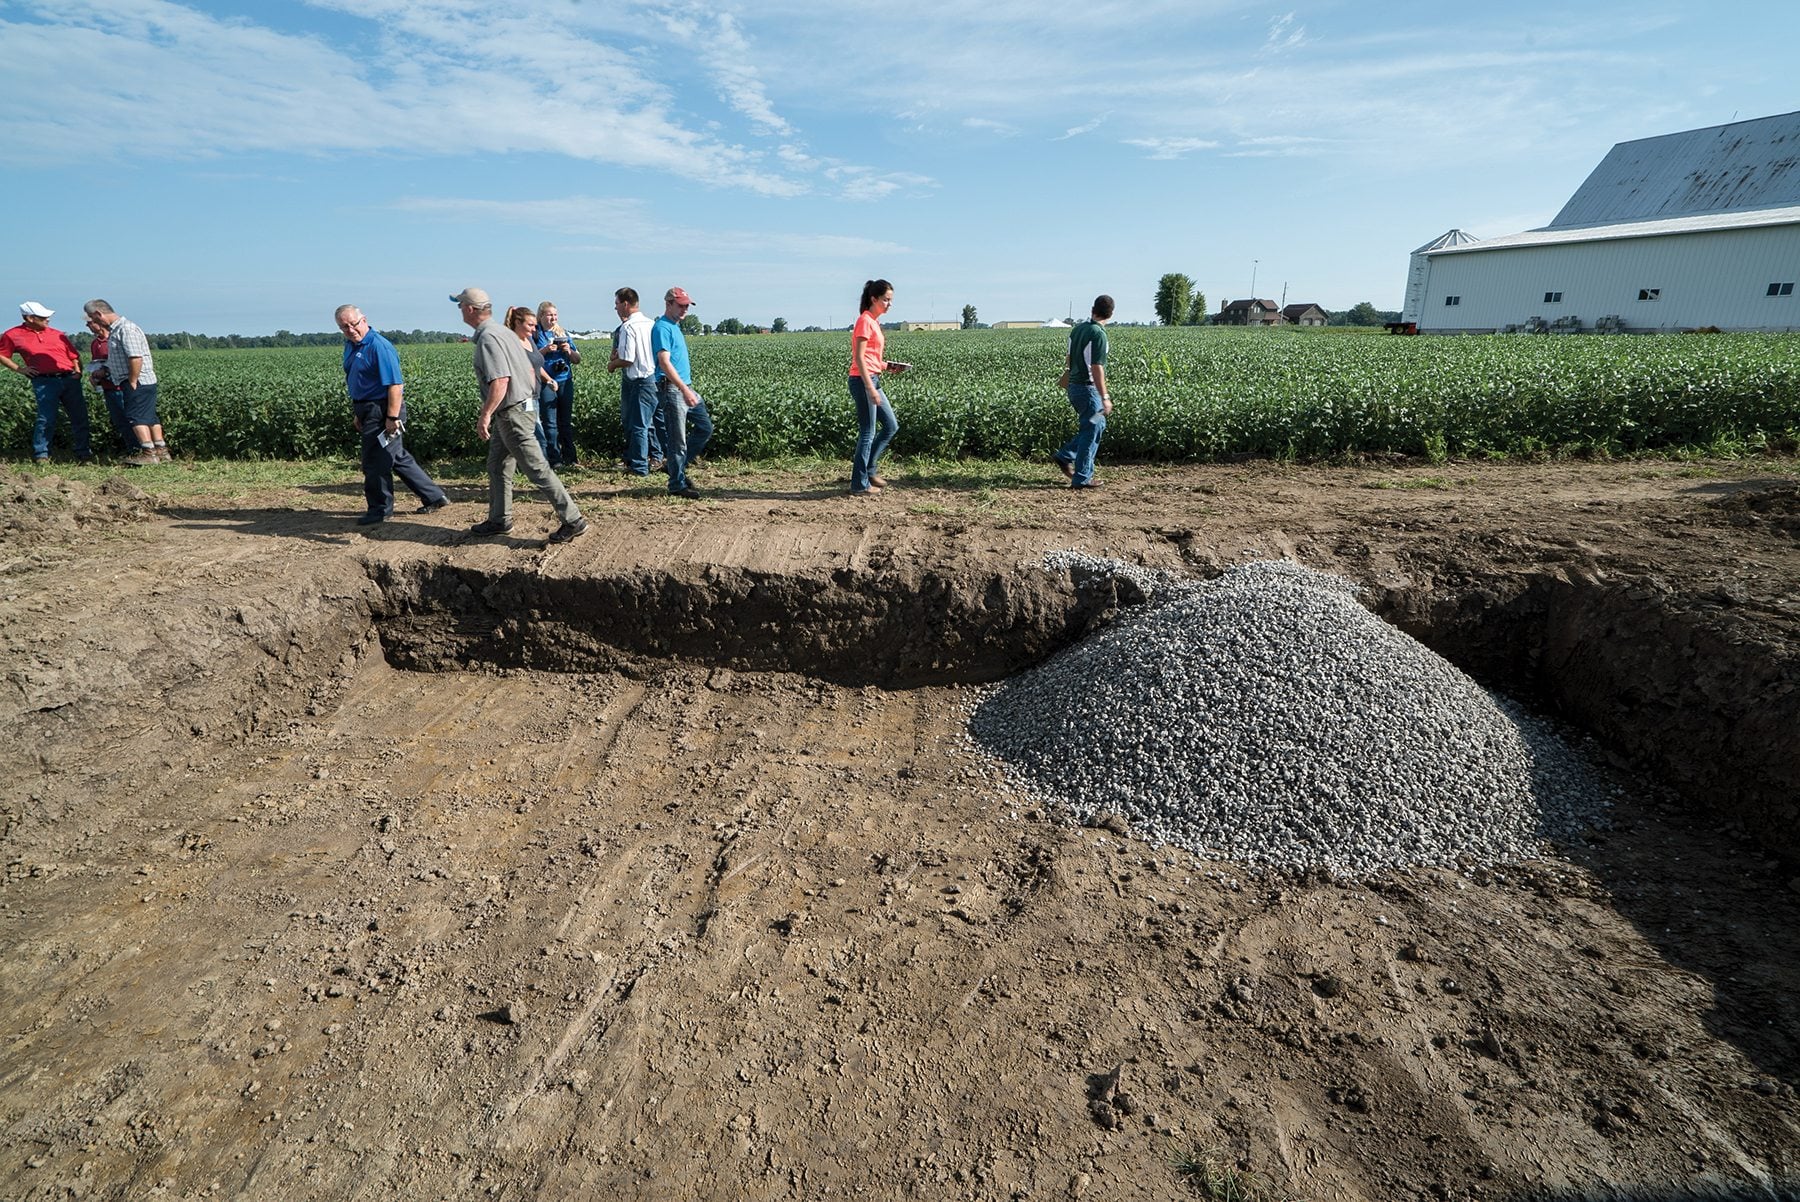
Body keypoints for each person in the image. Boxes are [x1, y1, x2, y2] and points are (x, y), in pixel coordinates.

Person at [452, 287, 586, 544]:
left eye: (460, 306)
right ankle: (499, 519)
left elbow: (500, 380)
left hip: (511, 412)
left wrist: (485, 415)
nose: (460, 311)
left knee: (537, 469)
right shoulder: (503, 332)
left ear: (470, 309)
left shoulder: (490, 338)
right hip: (519, 407)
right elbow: (529, 366)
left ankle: (573, 520)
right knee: (497, 466)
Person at [335, 304, 449, 525]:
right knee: (396, 457)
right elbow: (357, 380)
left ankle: (380, 510)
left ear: (364, 320)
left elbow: (396, 385)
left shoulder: (379, 347)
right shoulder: (351, 346)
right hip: (367, 408)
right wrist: (358, 412)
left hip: (383, 409)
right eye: (344, 327)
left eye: (354, 324)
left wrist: (392, 418)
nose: (351, 330)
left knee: (374, 461)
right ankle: (434, 497)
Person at [1, 301, 92, 465]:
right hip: (44, 381)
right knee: (46, 418)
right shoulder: (12, 335)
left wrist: (78, 372)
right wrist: (19, 369)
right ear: (30, 318)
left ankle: (84, 453)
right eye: (43, 317)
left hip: (69, 378)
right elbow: (2, 354)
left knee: (80, 417)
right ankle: (41, 454)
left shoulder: (58, 334)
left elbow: (73, 355)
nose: (48, 320)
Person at [82, 299, 167, 466]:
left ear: (99, 314)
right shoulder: (117, 329)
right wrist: (105, 371)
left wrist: (133, 380)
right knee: (149, 416)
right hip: (138, 380)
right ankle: (161, 451)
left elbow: (135, 357)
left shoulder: (126, 329)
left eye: (93, 318)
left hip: (137, 380)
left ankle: (148, 453)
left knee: (136, 417)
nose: (94, 322)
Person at [650, 287, 714, 499]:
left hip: (684, 387)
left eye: (687, 305)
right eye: (681, 305)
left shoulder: (675, 326)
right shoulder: (662, 328)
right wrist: (684, 390)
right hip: (673, 389)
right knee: (678, 441)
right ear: (668, 304)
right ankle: (676, 484)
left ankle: (676, 467)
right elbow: (664, 363)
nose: (685, 309)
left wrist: (687, 389)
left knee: (705, 427)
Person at [847, 278, 906, 496]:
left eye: (890, 300)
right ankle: (859, 484)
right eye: (886, 300)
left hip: (873, 378)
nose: (889, 304)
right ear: (874, 299)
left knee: (891, 425)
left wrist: (888, 366)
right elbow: (859, 358)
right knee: (867, 433)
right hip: (863, 380)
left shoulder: (874, 321)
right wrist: (869, 388)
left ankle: (869, 470)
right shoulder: (865, 321)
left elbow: (871, 358)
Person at [1054, 294, 1114, 490]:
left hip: (1074, 388)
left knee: (1096, 424)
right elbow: (1097, 367)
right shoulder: (1098, 334)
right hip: (1088, 390)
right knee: (1093, 428)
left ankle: (1066, 456)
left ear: (1092, 309)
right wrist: (1104, 396)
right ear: (1111, 314)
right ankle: (1082, 477)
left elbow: (1069, 359)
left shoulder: (1077, 330)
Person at [606, 288, 661, 476]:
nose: (616, 308)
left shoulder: (628, 327)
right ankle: (654, 458)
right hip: (653, 377)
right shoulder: (651, 324)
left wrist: (613, 364)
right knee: (648, 421)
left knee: (637, 424)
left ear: (625, 304)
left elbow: (628, 359)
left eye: (617, 304)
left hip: (638, 379)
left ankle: (638, 466)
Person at [505, 306, 560, 462]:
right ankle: (542, 470)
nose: (534, 329)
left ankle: (529, 466)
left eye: (535, 325)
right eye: (530, 325)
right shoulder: (512, 343)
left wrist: (548, 379)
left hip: (533, 395)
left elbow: (536, 365)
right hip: (521, 397)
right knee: (536, 435)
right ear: (517, 322)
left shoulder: (529, 340)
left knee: (531, 433)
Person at [533, 301, 580, 467]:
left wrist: (568, 350)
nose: (553, 318)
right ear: (541, 316)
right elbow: (530, 359)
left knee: (565, 422)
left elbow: (577, 359)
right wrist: (546, 350)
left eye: (554, 314)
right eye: (549, 314)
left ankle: (571, 458)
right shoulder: (536, 334)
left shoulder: (563, 333)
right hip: (546, 382)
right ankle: (554, 459)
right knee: (550, 423)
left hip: (565, 380)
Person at [84, 313, 132, 452]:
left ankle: (137, 449)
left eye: (89, 323)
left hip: (121, 386)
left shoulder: (115, 339)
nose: (87, 326)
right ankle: (131, 448)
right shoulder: (95, 343)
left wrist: (105, 371)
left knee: (129, 419)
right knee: (119, 421)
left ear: (98, 322)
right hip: (107, 386)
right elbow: (96, 364)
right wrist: (94, 375)